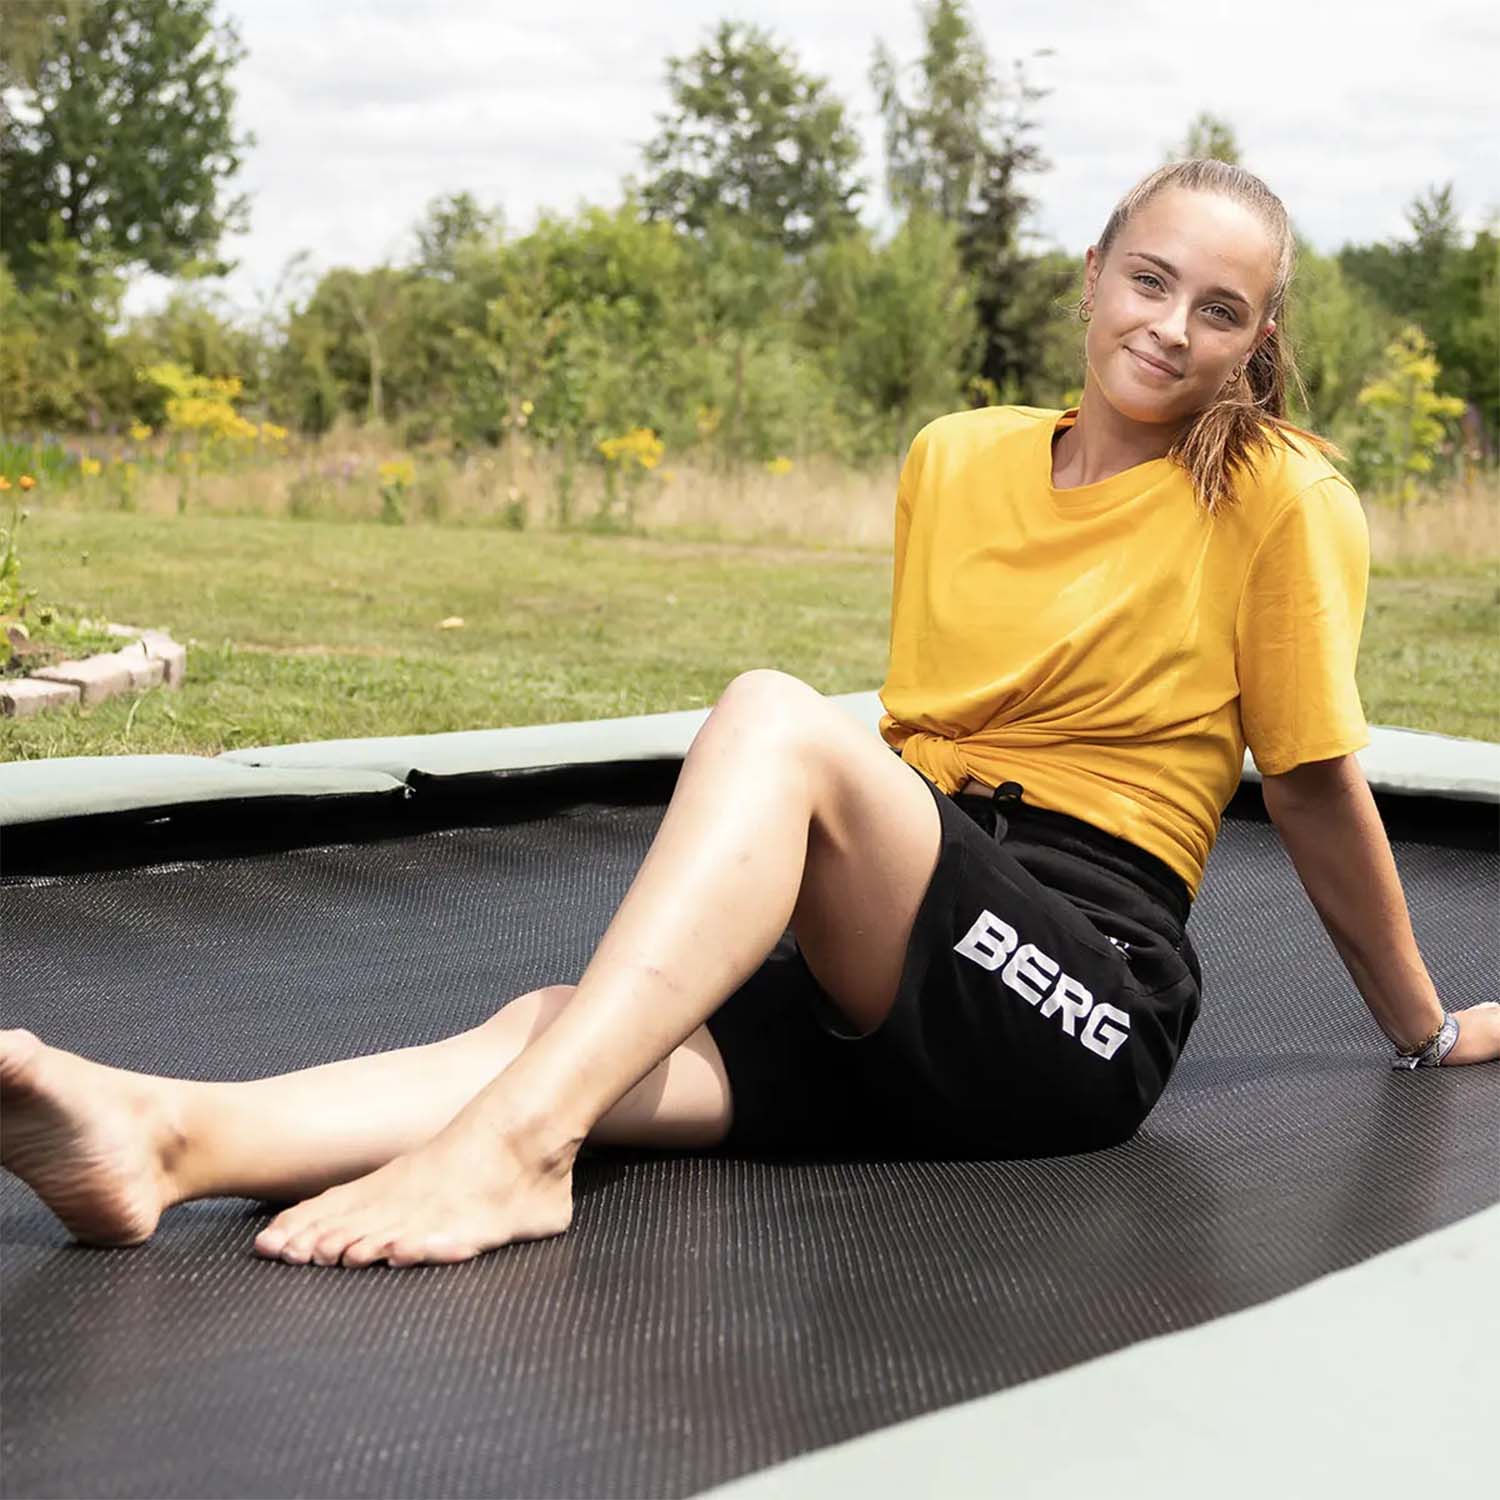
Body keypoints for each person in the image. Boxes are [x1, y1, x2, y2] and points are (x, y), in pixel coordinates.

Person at [2, 160, 1496, 1270]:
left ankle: (521, 1154)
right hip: (896, 932)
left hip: (1081, 989)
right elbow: (942, 754)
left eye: (1219, 309)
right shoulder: (954, 458)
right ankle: (169, 1138)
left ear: (1259, 336)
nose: (1172, 327)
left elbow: (1307, 786)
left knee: (777, 723)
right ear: (1092, 270)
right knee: (561, 1024)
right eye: (1151, 279)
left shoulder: (1281, 496)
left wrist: (1421, 1033)